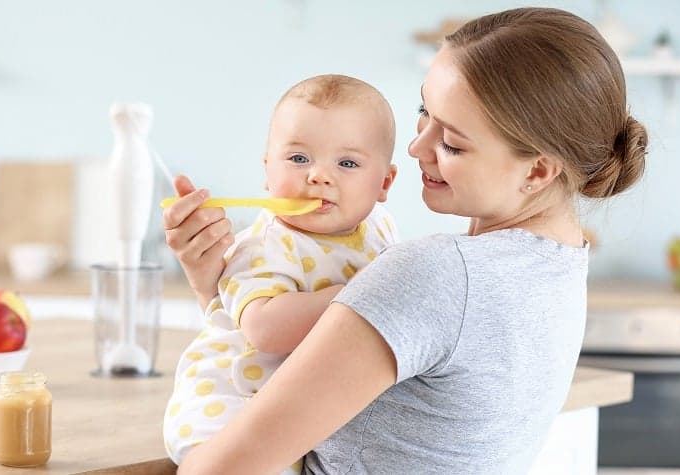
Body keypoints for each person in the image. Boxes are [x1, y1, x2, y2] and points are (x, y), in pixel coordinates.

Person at [164, 7, 648, 474]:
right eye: (424, 111)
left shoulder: (434, 275)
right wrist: (216, 286)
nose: (416, 147)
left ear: (538, 169)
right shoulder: (561, 265)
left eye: (452, 143)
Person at [162, 74, 399, 473]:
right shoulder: (264, 245)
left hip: (297, 405)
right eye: (299, 158)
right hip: (232, 400)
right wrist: (362, 291)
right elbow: (265, 329)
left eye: (347, 163)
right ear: (267, 169)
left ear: (384, 182)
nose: (319, 176)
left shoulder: (380, 228)